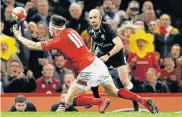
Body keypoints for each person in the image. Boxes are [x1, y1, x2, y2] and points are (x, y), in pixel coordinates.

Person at [13, 15, 158, 113]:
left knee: (69, 99)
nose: (49, 30)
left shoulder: (58, 39)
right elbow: (66, 47)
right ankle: (143, 100)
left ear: (55, 28)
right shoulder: (71, 32)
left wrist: (19, 36)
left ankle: (100, 101)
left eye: (50, 27)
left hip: (88, 68)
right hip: (97, 64)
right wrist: (46, 41)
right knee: (114, 91)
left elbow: (34, 46)